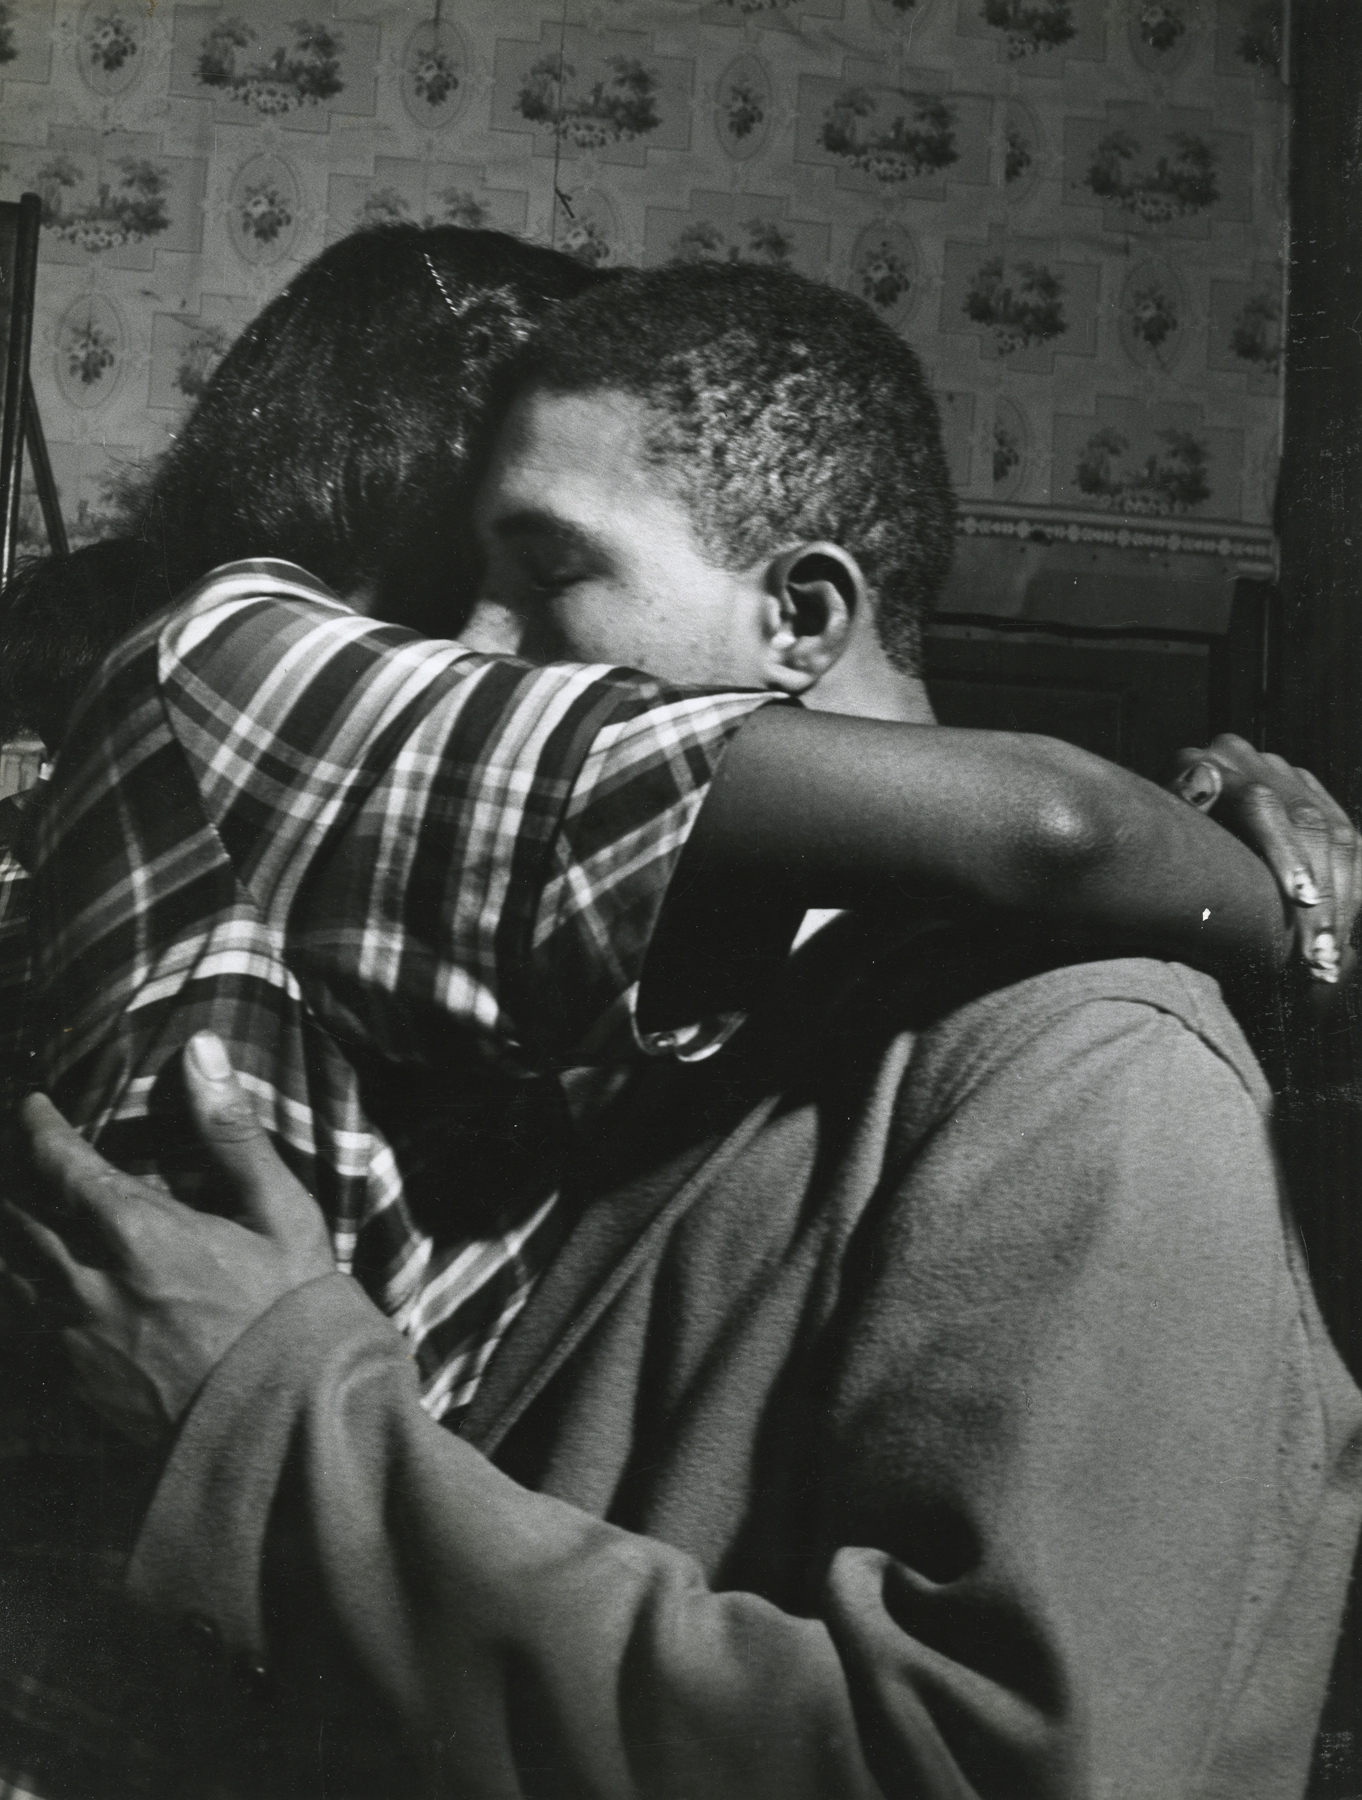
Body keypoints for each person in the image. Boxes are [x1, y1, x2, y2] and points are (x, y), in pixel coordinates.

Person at [9, 261, 1362, 1798]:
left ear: (800, 614)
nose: (472, 651)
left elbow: (993, 1770)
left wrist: (271, 1419)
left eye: (545, 570)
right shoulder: (691, 1018)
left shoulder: (1089, 1058)